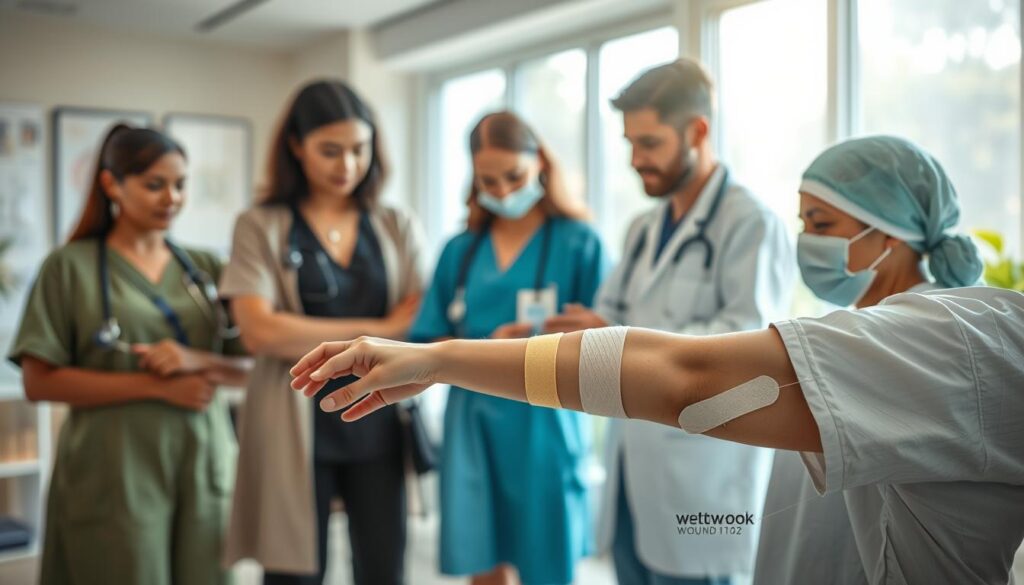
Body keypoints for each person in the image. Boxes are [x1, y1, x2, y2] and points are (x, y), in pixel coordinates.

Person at [292, 137, 1024, 585]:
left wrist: (441, 358)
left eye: (822, 224)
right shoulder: (881, 331)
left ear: (893, 232)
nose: (805, 240)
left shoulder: (954, 339)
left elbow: (684, 375)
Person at [543, 58, 795, 584]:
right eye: (630, 143)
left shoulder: (750, 225)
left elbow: (751, 355)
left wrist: (626, 340)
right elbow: (614, 318)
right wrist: (588, 326)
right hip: (637, 469)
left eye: (650, 143)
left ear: (697, 131)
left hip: (705, 474)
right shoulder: (642, 228)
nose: (635, 159)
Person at [8, 124, 250, 585]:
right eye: (154, 185)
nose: (171, 198)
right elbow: (38, 382)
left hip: (203, 460)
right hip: (113, 467)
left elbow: (252, 370)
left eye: (180, 184)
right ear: (111, 183)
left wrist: (196, 361)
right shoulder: (68, 268)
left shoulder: (207, 268)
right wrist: (159, 388)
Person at [220, 80, 425, 585]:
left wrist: (299, 329)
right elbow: (259, 332)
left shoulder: (395, 223)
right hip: (294, 422)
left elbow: (420, 321)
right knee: (292, 573)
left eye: (359, 149)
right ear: (296, 146)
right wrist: (382, 329)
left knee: (384, 568)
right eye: (330, 151)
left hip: (378, 421)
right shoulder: (260, 225)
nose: (347, 165)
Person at [409, 111, 607, 585]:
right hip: (472, 420)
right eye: (488, 182)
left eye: (513, 177)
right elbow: (427, 340)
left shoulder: (579, 242)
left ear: (539, 161)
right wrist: (486, 349)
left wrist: (548, 344)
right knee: (482, 555)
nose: (502, 192)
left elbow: (609, 340)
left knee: (548, 561)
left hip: (546, 415)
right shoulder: (461, 250)